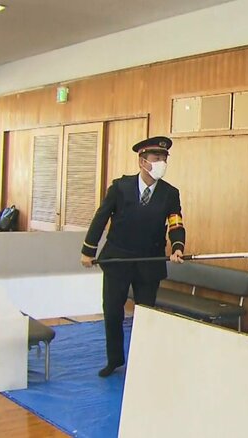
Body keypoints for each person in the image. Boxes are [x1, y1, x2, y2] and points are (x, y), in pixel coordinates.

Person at [80, 136, 186, 377]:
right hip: (118, 260)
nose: (162, 163)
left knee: (146, 314)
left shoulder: (170, 193)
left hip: (149, 262)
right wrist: (88, 250)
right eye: (156, 158)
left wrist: (178, 246)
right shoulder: (120, 187)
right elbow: (101, 218)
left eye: (164, 158)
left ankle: (142, 361)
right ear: (142, 162)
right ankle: (114, 360)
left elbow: (176, 223)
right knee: (113, 311)